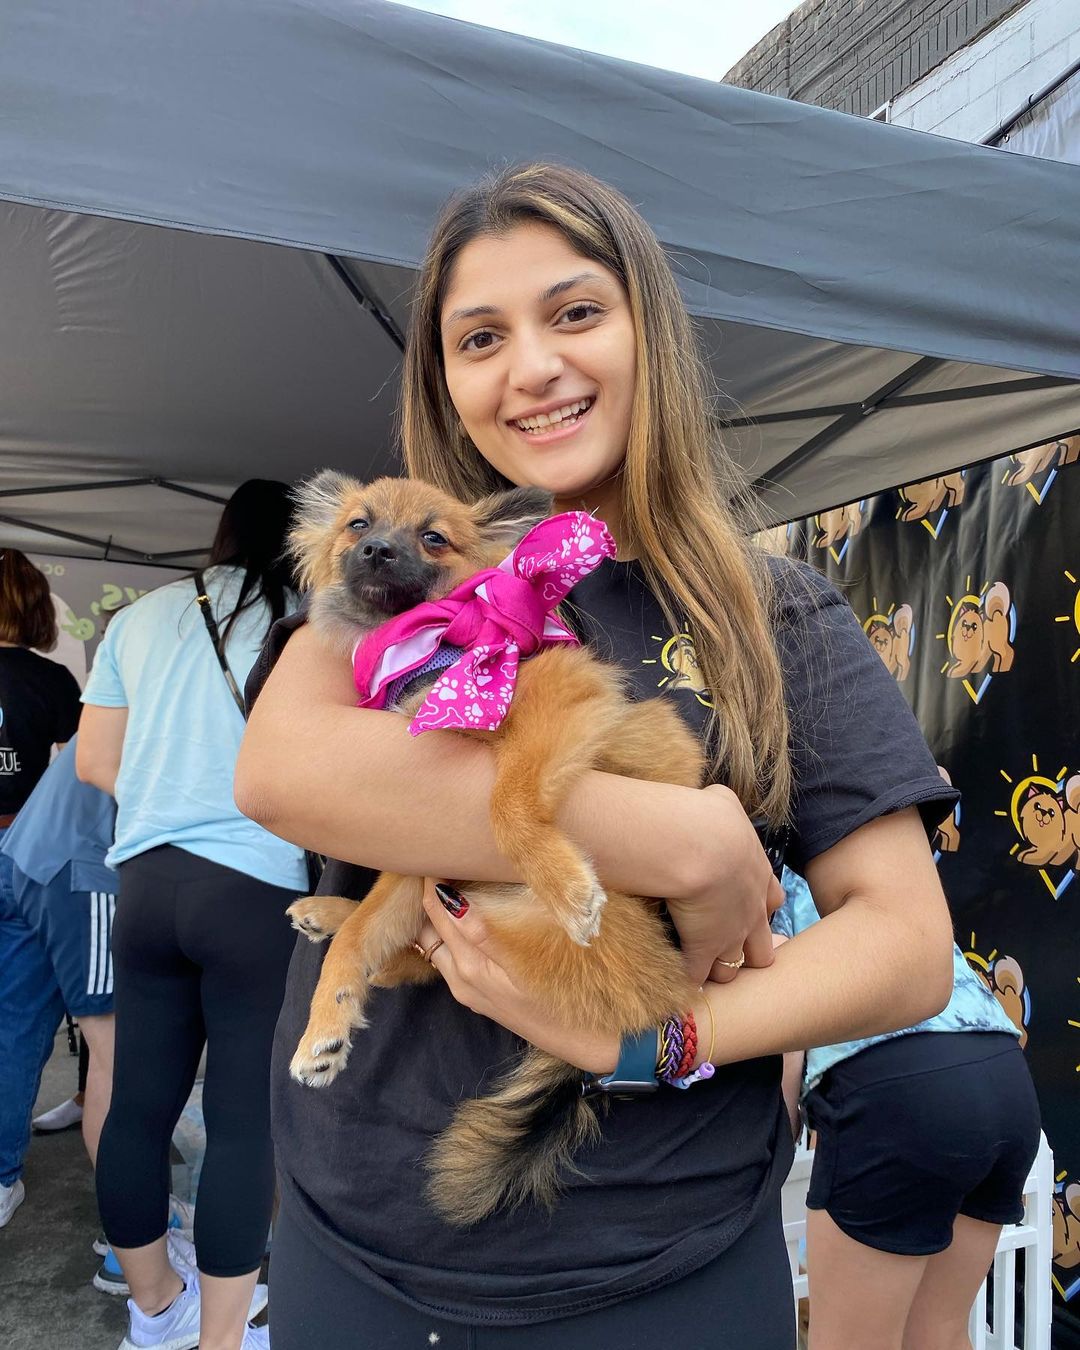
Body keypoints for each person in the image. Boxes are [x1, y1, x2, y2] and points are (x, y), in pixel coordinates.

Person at [235, 164, 957, 1350]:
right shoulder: (392, 594)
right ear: (445, 378)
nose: (530, 368)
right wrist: (676, 834)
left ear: (647, 332)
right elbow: (281, 774)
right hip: (352, 1241)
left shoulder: (773, 613)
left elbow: (907, 948)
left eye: (574, 312)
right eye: (480, 337)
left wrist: (661, 1039)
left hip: (662, 1264)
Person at [77, 480, 308, 1350]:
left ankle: (153, 1313)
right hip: (257, 888)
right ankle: (221, 1339)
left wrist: (165, 793)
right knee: (247, 1117)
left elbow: (95, 763)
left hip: (144, 885)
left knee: (137, 1103)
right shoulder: (314, 620)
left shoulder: (141, 617)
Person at [773, 870, 1040, 1350]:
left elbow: (783, 1038)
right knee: (937, 1332)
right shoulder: (885, 857)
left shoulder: (778, 869)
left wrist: (776, 1141)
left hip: (898, 1086)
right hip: (1002, 1069)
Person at [0, 548, 83, 1229]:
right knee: (19, 1018)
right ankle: (0, 1172)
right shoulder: (50, 681)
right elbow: (84, 769)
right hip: (26, 855)